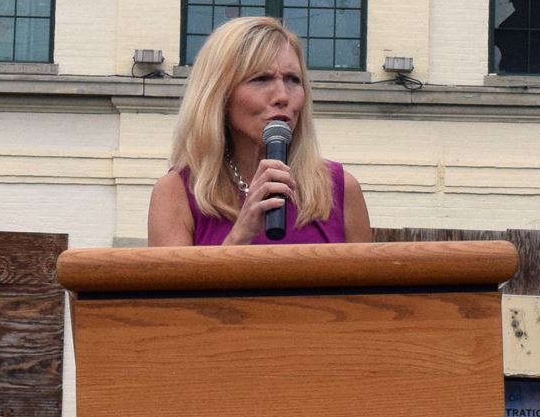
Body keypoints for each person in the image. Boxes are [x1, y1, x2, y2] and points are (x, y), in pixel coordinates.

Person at [145, 15, 373, 248]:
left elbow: (367, 282)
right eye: (261, 79)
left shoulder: (340, 188)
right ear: (219, 95)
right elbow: (175, 285)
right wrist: (240, 235)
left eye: (293, 80)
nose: (282, 96)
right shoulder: (175, 193)